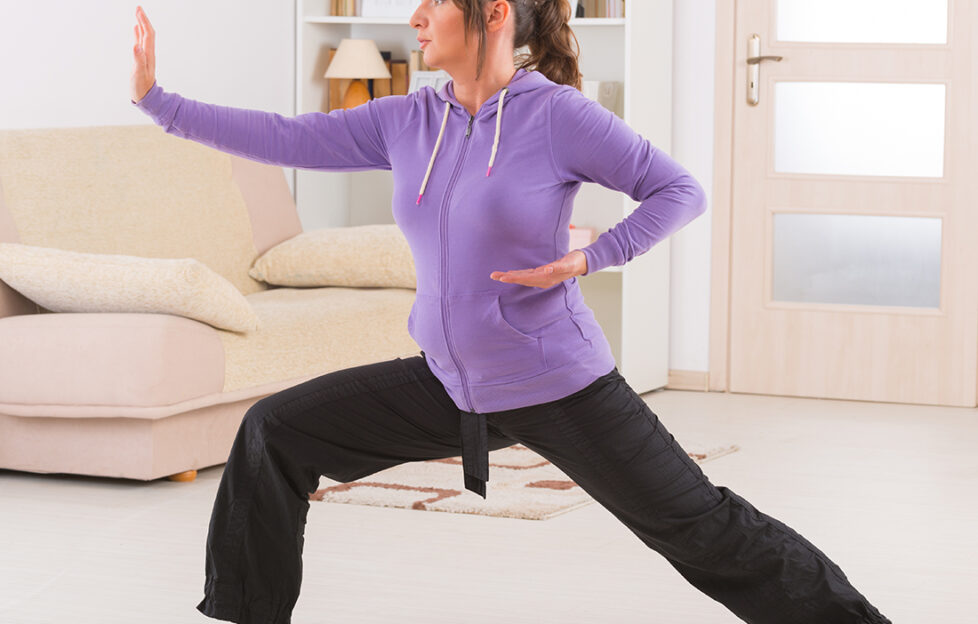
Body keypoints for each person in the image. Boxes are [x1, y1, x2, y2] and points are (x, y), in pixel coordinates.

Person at [130, 2, 892, 623]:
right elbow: (283, 136)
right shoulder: (406, 120)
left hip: (556, 379)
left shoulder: (556, 117)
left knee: (699, 527)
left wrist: (594, 254)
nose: (417, 16)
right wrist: (157, 102)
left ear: (492, 14)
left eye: (433, 3)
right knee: (273, 431)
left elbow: (677, 190)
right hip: (450, 381)